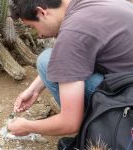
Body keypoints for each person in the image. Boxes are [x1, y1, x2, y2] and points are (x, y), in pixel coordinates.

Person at [7, 0, 133, 148]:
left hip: (128, 101)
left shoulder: (73, 33)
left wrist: (27, 126)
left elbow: (70, 122)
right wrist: (34, 89)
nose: (39, 35)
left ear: (42, 12)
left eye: (33, 27)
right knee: (50, 60)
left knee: (46, 60)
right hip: (125, 77)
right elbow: (71, 58)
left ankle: (97, 129)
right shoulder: (85, 5)